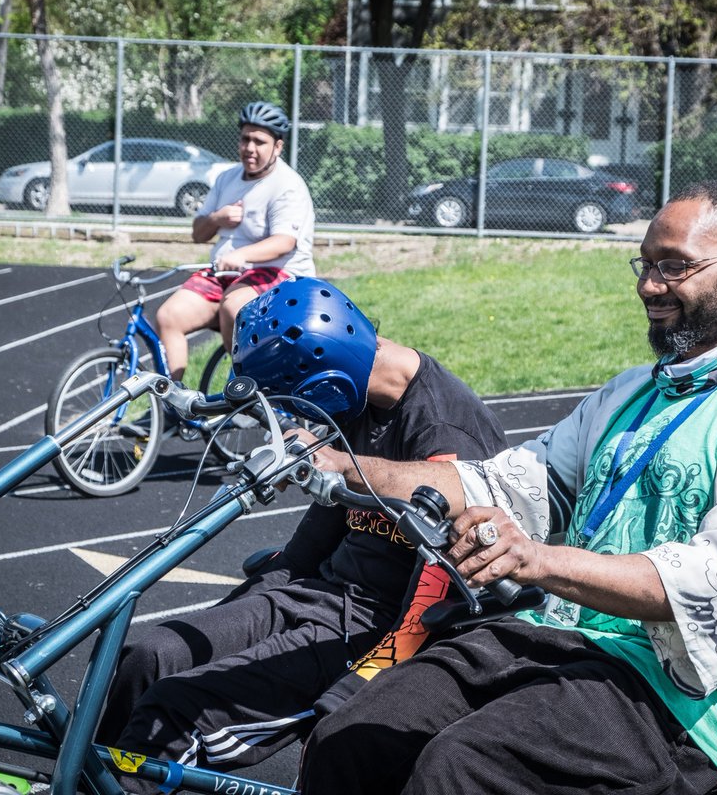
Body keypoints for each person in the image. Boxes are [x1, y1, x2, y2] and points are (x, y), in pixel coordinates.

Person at [297, 180, 717, 795]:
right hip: (546, 636)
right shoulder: (627, 395)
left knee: (458, 769)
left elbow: (716, 584)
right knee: (349, 735)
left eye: (674, 267)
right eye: (645, 265)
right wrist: (334, 464)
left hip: (673, 694)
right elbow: (503, 483)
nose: (649, 285)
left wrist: (536, 559)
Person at [97, 277, 508, 793]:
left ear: (324, 383)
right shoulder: (357, 399)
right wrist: (235, 612)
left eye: (295, 402)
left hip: (375, 629)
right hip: (318, 596)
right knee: (151, 655)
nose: (299, 417)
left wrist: (363, 680)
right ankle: (90, 780)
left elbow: (439, 592)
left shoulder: (446, 436)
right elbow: (313, 540)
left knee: (175, 709)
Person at [154, 100, 316, 382]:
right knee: (169, 316)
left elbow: (284, 242)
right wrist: (217, 218)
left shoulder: (287, 185)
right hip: (227, 274)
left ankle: (245, 392)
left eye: (259, 142)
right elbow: (198, 234)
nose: (249, 148)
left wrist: (242, 255)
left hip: (281, 273)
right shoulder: (226, 178)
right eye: (245, 139)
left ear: (278, 147)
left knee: (234, 307)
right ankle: (173, 403)